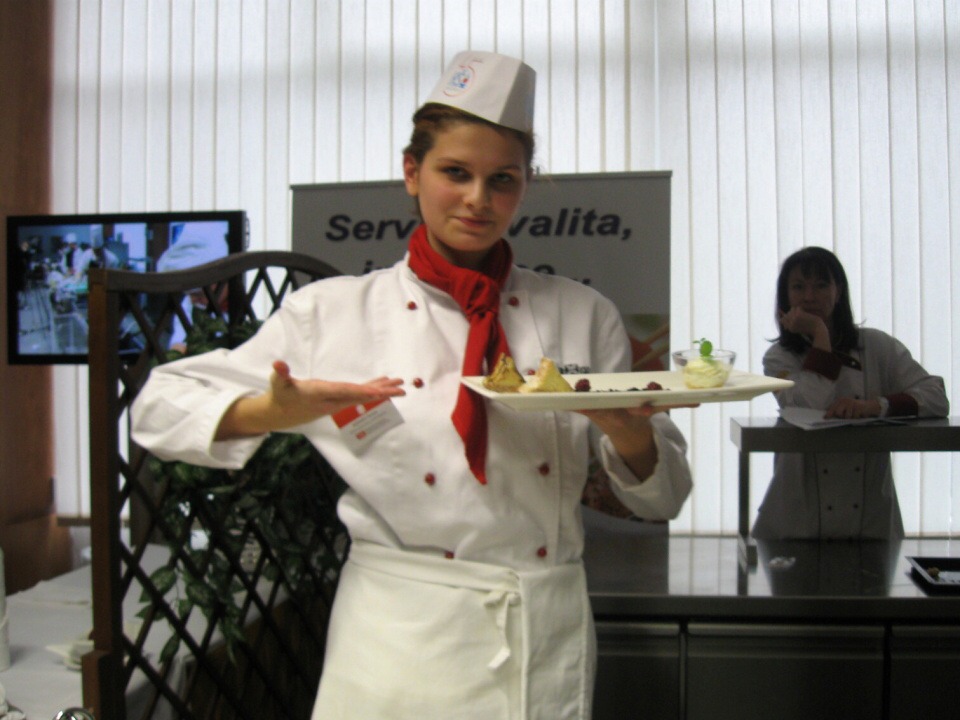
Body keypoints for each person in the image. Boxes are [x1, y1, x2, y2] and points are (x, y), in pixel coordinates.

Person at [131, 50, 693, 719]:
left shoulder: (583, 315)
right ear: (411, 172)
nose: (478, 199)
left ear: (525, 186)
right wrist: (264, 412)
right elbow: (155, 409)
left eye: (503, 180)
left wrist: (632, 439)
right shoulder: (332, 313)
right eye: (456, 172)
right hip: (395, 639)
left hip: (538, 634)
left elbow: (666, 496)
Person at [752, 246, 949, 540]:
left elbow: (936, 396)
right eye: (798, 287)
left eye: (821, 285)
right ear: (785, 296)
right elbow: (811, 404)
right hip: (797, 517)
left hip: (870, 517)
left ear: (839, 292)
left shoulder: (877, 346)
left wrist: (876, 406)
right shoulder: (778, 358)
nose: (809, 296)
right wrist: (820, 332)